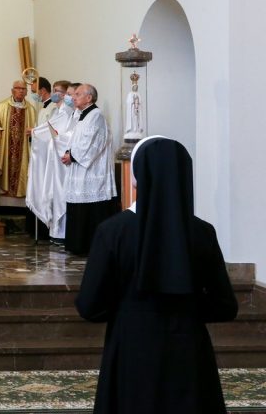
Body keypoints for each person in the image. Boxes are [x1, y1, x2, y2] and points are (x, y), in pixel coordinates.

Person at [76, 136, 238, 413]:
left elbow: (91, 306)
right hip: (189, 353)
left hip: (131, 349)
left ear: (136, 178)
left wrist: (128, 310)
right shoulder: (202, 233)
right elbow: (225, 306)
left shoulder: (113, 232)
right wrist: (187, 308)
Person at [61, 83, 117, 255]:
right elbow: (75, 139)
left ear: (89, 98)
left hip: (92, 172)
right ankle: (77, 245)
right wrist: (68, 152)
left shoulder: (96, 115)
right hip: (79, 169)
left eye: (78, 94)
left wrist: (72, 155)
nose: (74, 97)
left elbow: (91, 141)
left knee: (91, 208)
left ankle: (88, 246)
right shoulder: (82, 115)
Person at [26, 80, 75, 242]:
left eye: (58, 90)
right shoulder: (57, 110)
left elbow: (58, 132)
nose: (55, 93)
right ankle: (55, 232)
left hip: (62, 159)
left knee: (59, 195)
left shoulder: (67, 111)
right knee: (53, 194)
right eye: (54, 90)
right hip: (53, 156)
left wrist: (35, 131)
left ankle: (61, 233)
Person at [0, 80, 37, 199]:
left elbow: (35, 131)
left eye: (23, 89)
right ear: (12, 90)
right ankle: (5, 190)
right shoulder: (1, 107)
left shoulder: (31, 110)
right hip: (5, 148)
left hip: (23, 149)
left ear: (26, 92)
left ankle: (21, 191)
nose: (21, 91)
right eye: (18, 88)